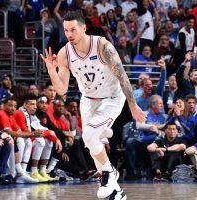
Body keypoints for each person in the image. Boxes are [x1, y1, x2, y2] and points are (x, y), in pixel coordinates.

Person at [40, 10, 146, 200]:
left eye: (73, 29)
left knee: (89, 134)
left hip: (112, 98)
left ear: (84, 28)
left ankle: (110, 172)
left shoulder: (102, 46)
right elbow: (62, 89)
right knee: (91, 143)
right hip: (88, 100)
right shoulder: (65, 53)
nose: (69, 34)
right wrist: (51, 70)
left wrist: (133, 106)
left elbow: (123, 77)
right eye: (66, 30)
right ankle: (116, 192)